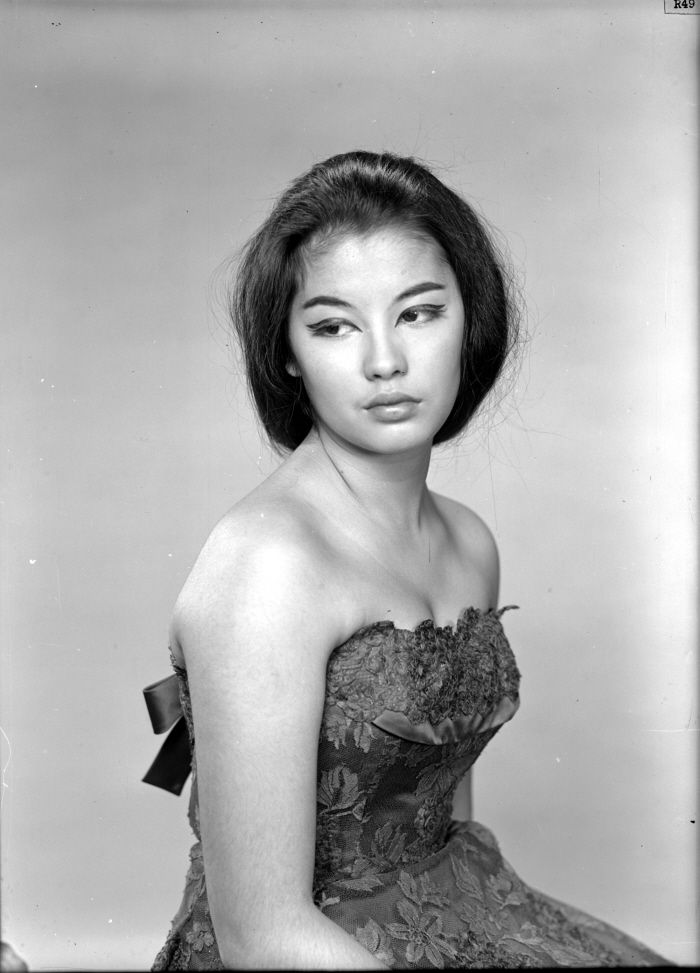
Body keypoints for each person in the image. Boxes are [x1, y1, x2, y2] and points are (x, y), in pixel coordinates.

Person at [143, 151, 669, 969]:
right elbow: (261, 935)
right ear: (286, 352)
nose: (384, 360)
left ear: (472, 318)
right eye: (333, 325)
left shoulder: (467, 542)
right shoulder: (265, 566)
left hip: (459, 906)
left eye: (418, 313)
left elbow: (445, 817)